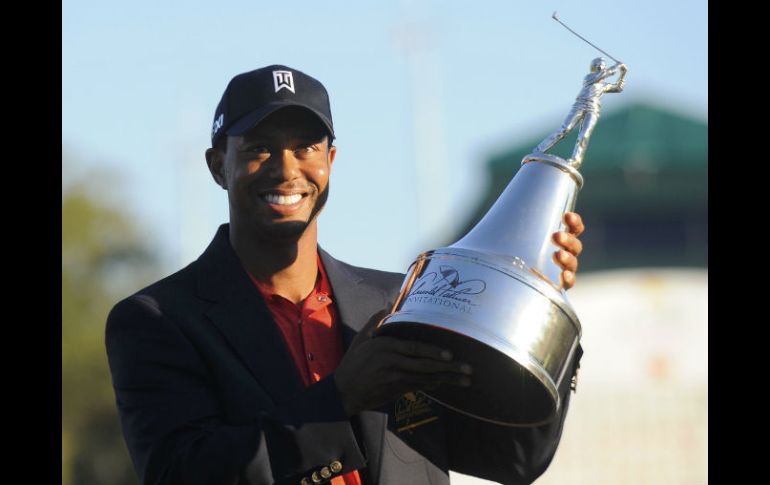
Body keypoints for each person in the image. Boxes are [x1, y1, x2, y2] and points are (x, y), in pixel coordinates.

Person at [106, 65, 586, 485]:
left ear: (330, 161)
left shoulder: (405, 299)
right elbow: (180, 474)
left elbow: (515, 458)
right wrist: (338, 400)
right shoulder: (159, 321)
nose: (286, 169)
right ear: (218, 166)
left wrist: (540, 310)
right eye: (259, 148)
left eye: (306, 147)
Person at [534, 57, 628, 168]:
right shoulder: (589, 77)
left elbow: (618, 88)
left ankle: (576, 160)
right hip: (580, 105)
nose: (601, 66)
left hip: (593, 109)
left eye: (602, 65)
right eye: (598, 65)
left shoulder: (604, 85)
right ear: (594, 67)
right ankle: (539, 150)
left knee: (584, 135)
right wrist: (617, 66)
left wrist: (623, 74)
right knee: (564, 129)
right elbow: (604, 74)